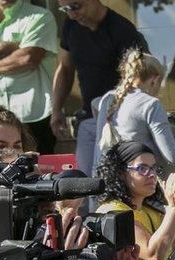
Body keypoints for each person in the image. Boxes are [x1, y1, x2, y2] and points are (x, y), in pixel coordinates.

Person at [51, 0, 148, 178]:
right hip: (88, 118)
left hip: (119, 121)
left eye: (75, 6)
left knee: (116, 182)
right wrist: (56, 109)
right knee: (83, 183)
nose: (72, 14)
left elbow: (140, 79)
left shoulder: (122, 30)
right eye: (65, 9)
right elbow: (65, 68)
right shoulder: (70, 25)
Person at [93, 48, 175, 172]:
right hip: (137, 183)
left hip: (105, 178)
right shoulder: (151, 104)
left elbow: (94, 104)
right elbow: (173, 156)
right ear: (156, 79)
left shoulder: (107, 99)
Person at [0, 0, 58, 154]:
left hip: (32, 114)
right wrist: (5, 47)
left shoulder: (40, 16)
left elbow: (27, 59)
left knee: (36, 172)